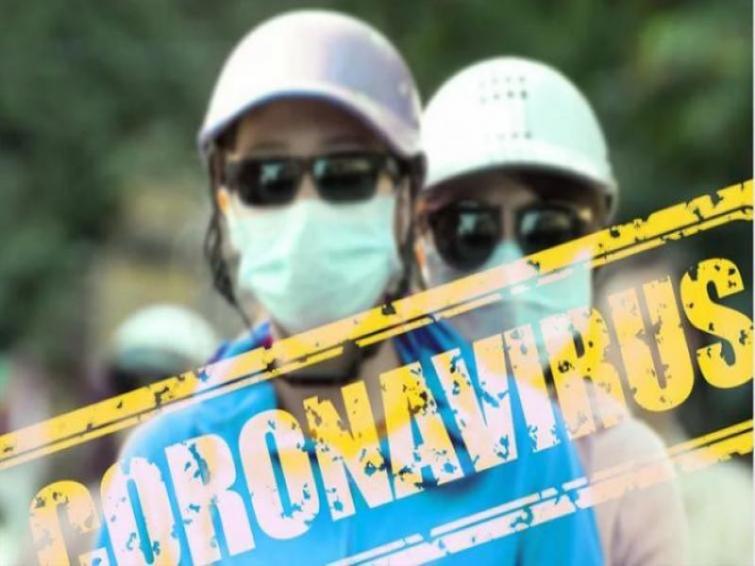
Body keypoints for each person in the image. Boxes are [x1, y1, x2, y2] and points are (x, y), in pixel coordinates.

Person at [95, 13, 603, 564]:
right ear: (228, 208)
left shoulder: (525, 451)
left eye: (347, 174)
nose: (306, 213)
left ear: (406, 200)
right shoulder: (166, 470)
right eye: (268, 179)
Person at [415, 56, 687, 565]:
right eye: (469, 232)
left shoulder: (627, 466)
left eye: (549, 233)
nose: (509, 274)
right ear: (417, 247)